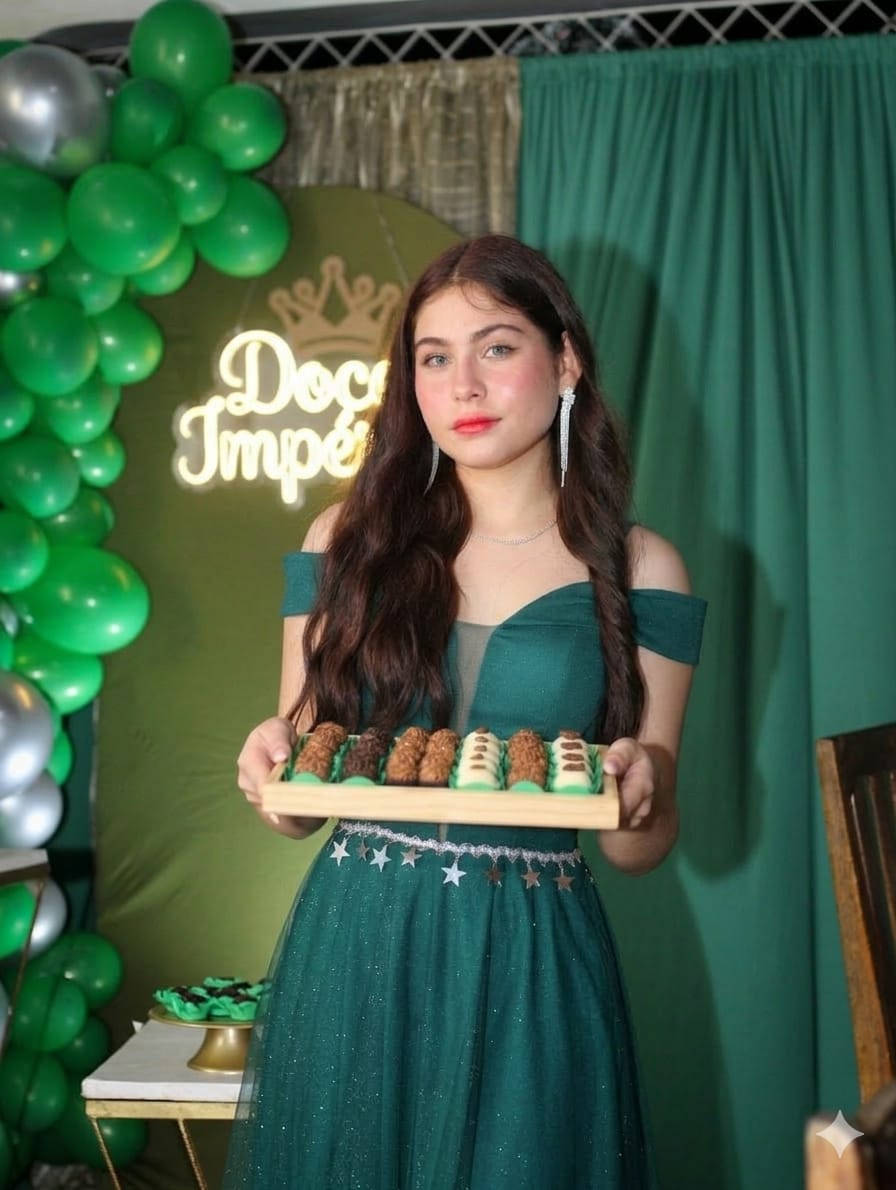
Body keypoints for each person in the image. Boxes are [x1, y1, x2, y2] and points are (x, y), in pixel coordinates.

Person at [223, 234, 706, 1189]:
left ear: (565, 361)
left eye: (497, 347)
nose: (464, 386)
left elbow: (637, 848)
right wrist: (269, 760)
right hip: (358, 942)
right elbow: (296, 803)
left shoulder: (643, 567)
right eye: (434, 357)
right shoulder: (343, 542)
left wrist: (645, 786)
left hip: (533, 958)